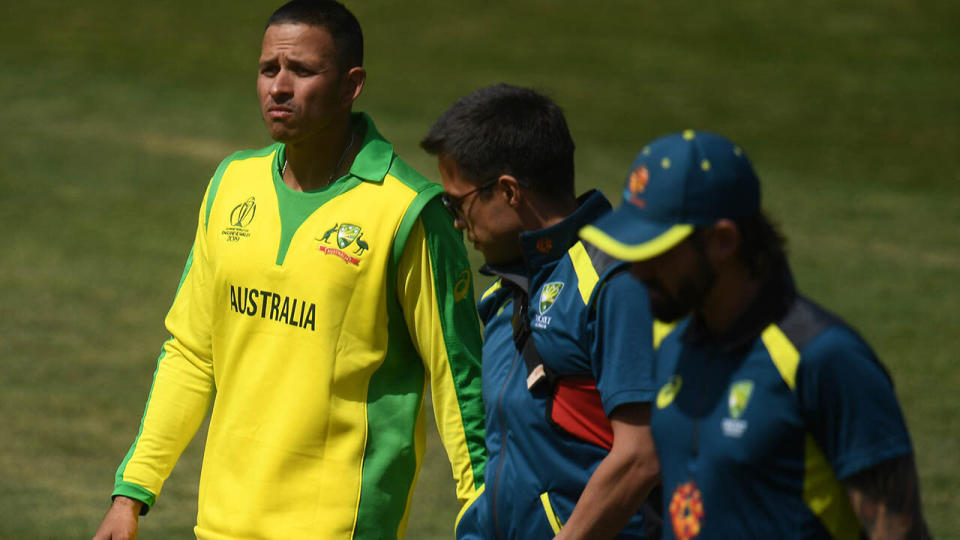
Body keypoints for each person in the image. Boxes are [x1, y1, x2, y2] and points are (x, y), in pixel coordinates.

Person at [92, 1, 486, 538]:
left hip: (340, 526)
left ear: (352, 85)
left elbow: (459, 380)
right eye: (267, 70)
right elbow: (191, 351)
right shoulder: (233, 183)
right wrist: (132, 492)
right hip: (223, 523)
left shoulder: (406, 212)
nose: (278, 87)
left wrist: (484, 510)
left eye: (301, 71)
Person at [580, 130, 931, 539]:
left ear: (722, 241)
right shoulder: (671, 347)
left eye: (659, 252)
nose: (639, 272)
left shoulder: (824, 360)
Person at [420, 83, 662, 540]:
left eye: (457, 202)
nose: (455, 221)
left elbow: (641, 454)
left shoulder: (616, 282)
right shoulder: (503, 297)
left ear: (509, 192)